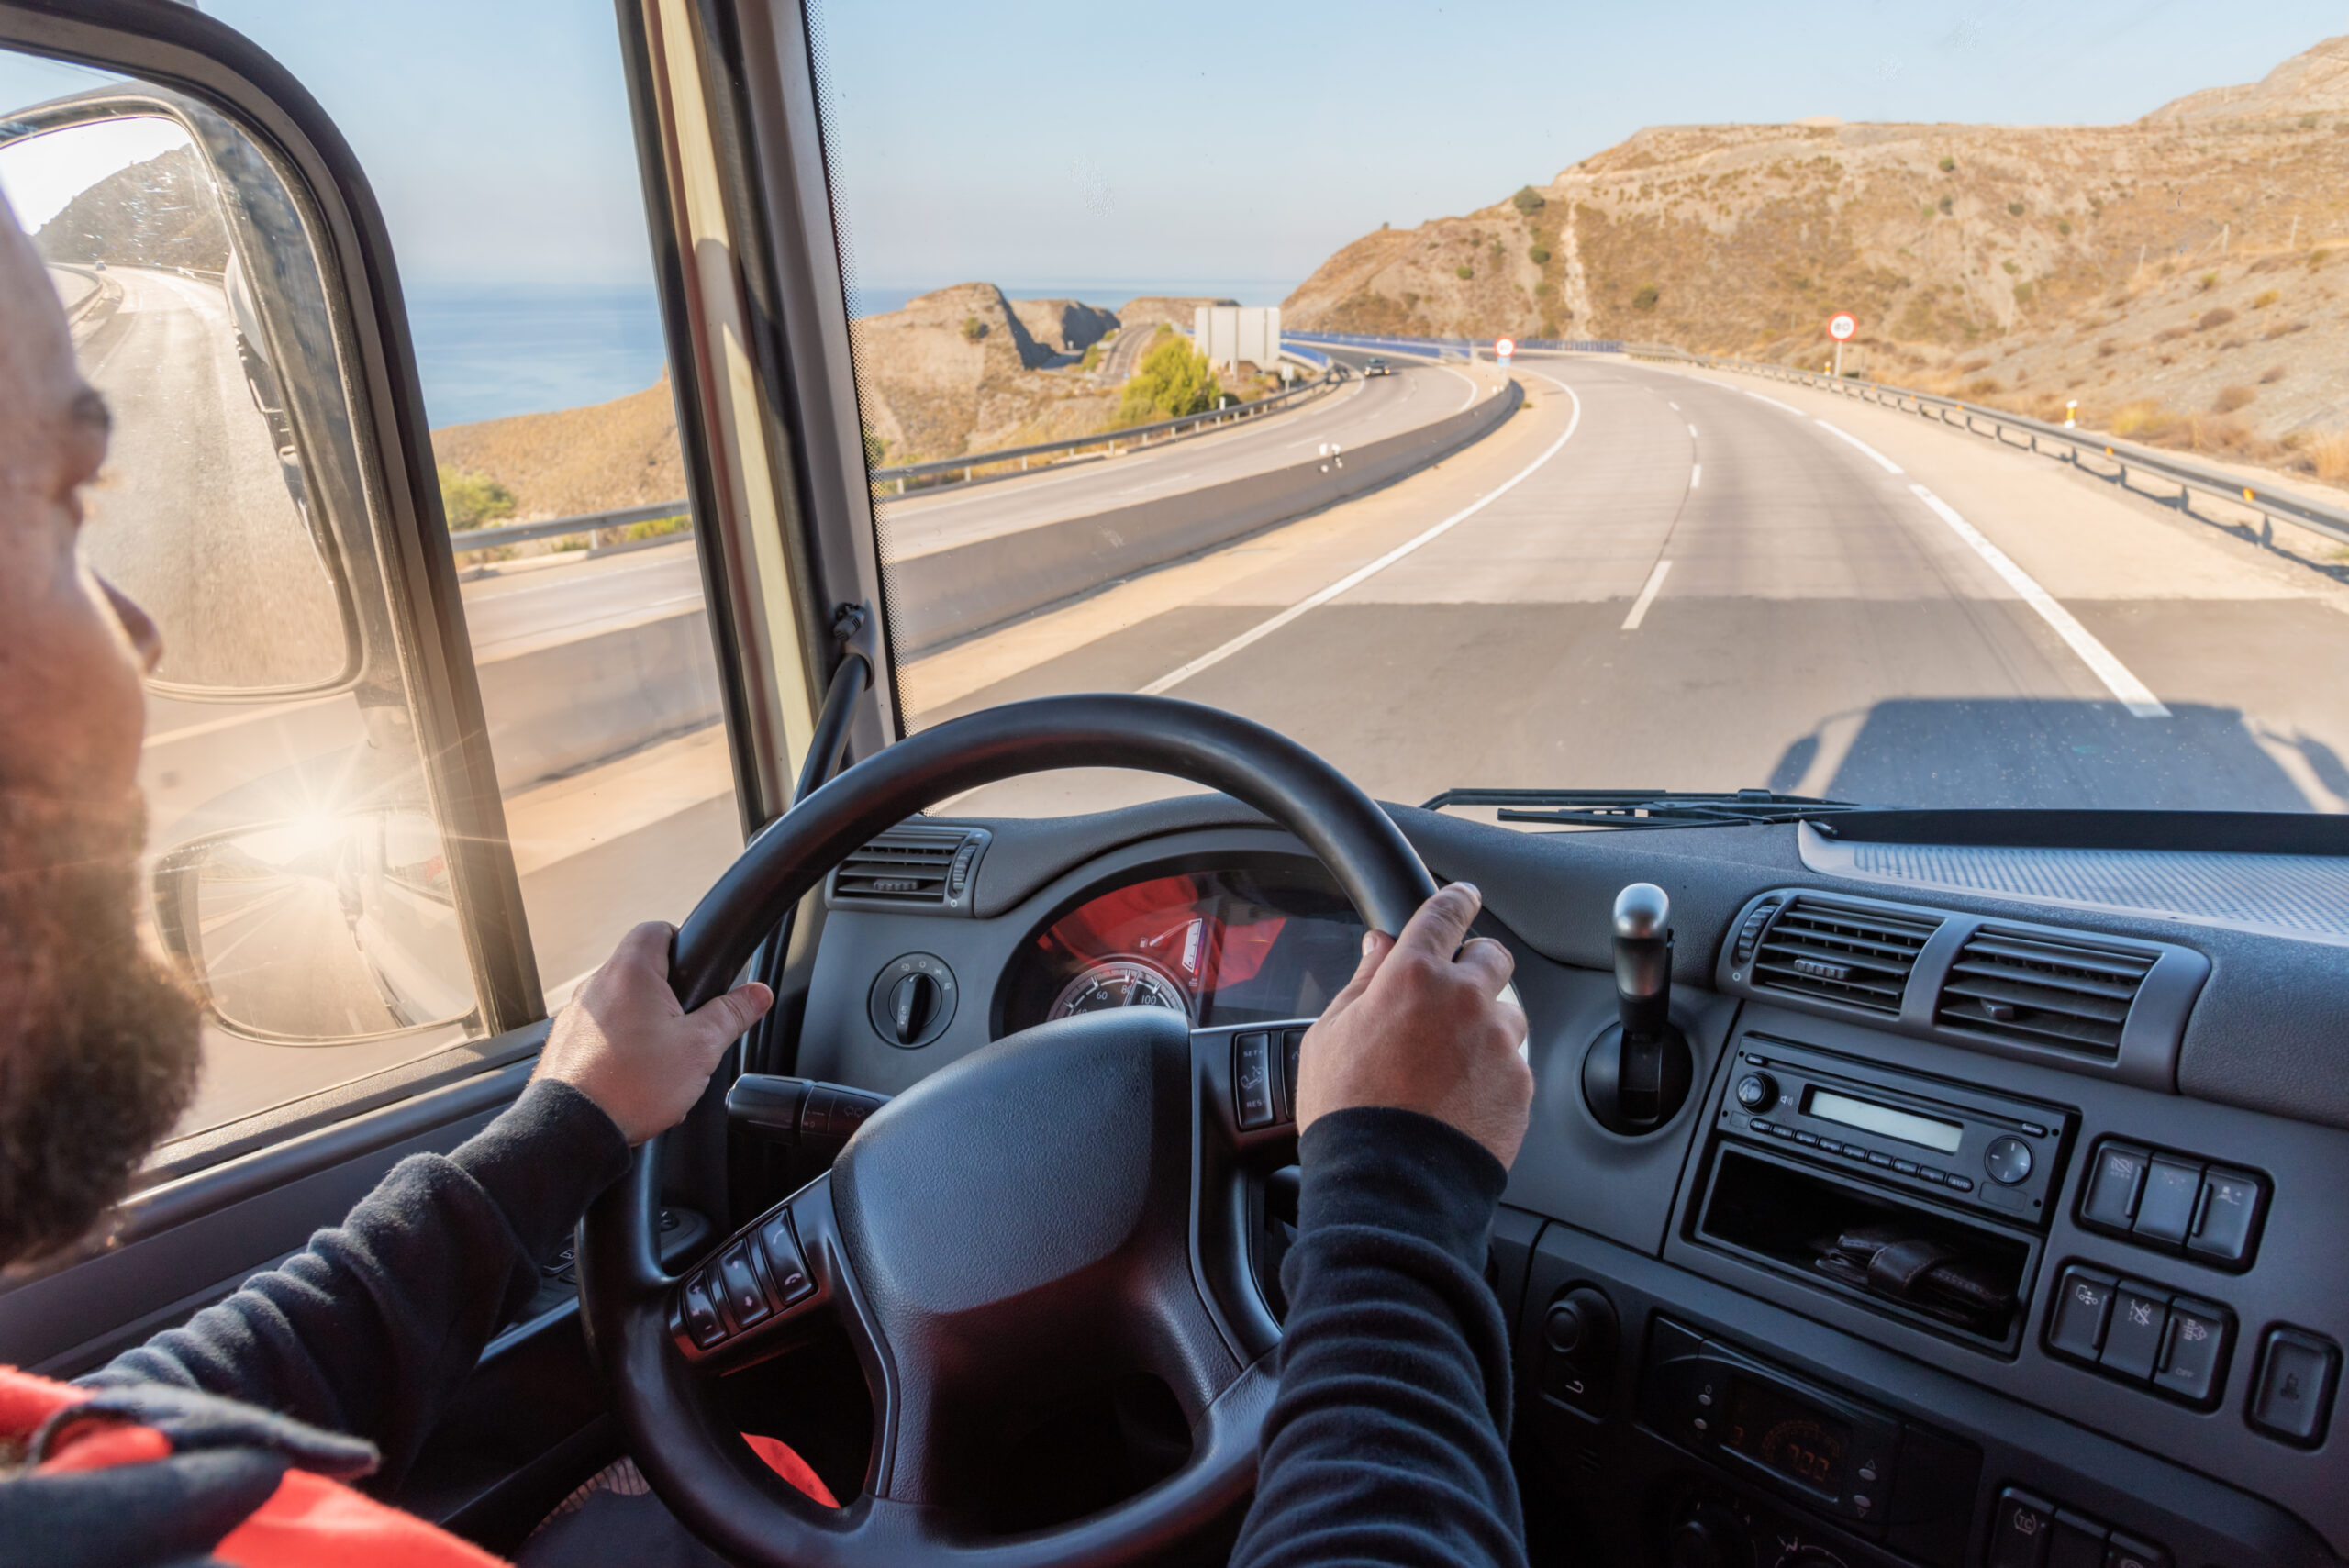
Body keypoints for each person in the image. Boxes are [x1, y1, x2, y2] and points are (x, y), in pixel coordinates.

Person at [0, 183, 1534, 1567]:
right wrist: (1393, 1186)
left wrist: (568, 1125)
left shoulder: (65, 1480)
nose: (140, 634)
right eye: (68, 516)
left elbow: (141, 1410)